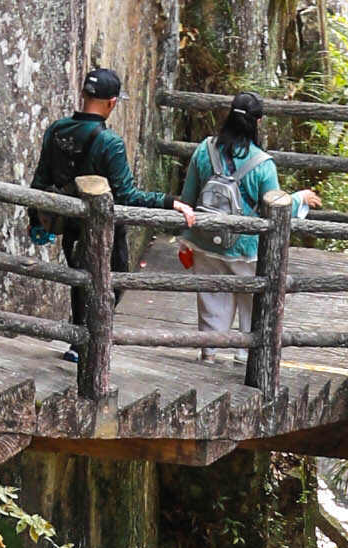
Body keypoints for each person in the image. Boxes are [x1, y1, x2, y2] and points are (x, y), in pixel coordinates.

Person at [29, 62, 188, 332]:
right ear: (112, 103)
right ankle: (88, 344)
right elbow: (126, 195)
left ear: (84, 95)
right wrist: (168, 201)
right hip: (104, 232)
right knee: (111, 285)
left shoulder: (56, 130)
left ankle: (77, 340)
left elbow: (40, 181)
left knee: (80, 282)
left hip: (69, 226)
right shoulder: (109, 142)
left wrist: (36, 220)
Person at [179, 91, 311, 353]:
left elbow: (187, 199)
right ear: (258, 122)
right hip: (246, 251)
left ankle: (209, 356)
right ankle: (245, 357)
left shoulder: (204, 151)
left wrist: (185, 240)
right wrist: (300, 198)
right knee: (252, 309)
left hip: (205, 242)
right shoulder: (263, 165)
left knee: (211, 306)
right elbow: (275, 207)